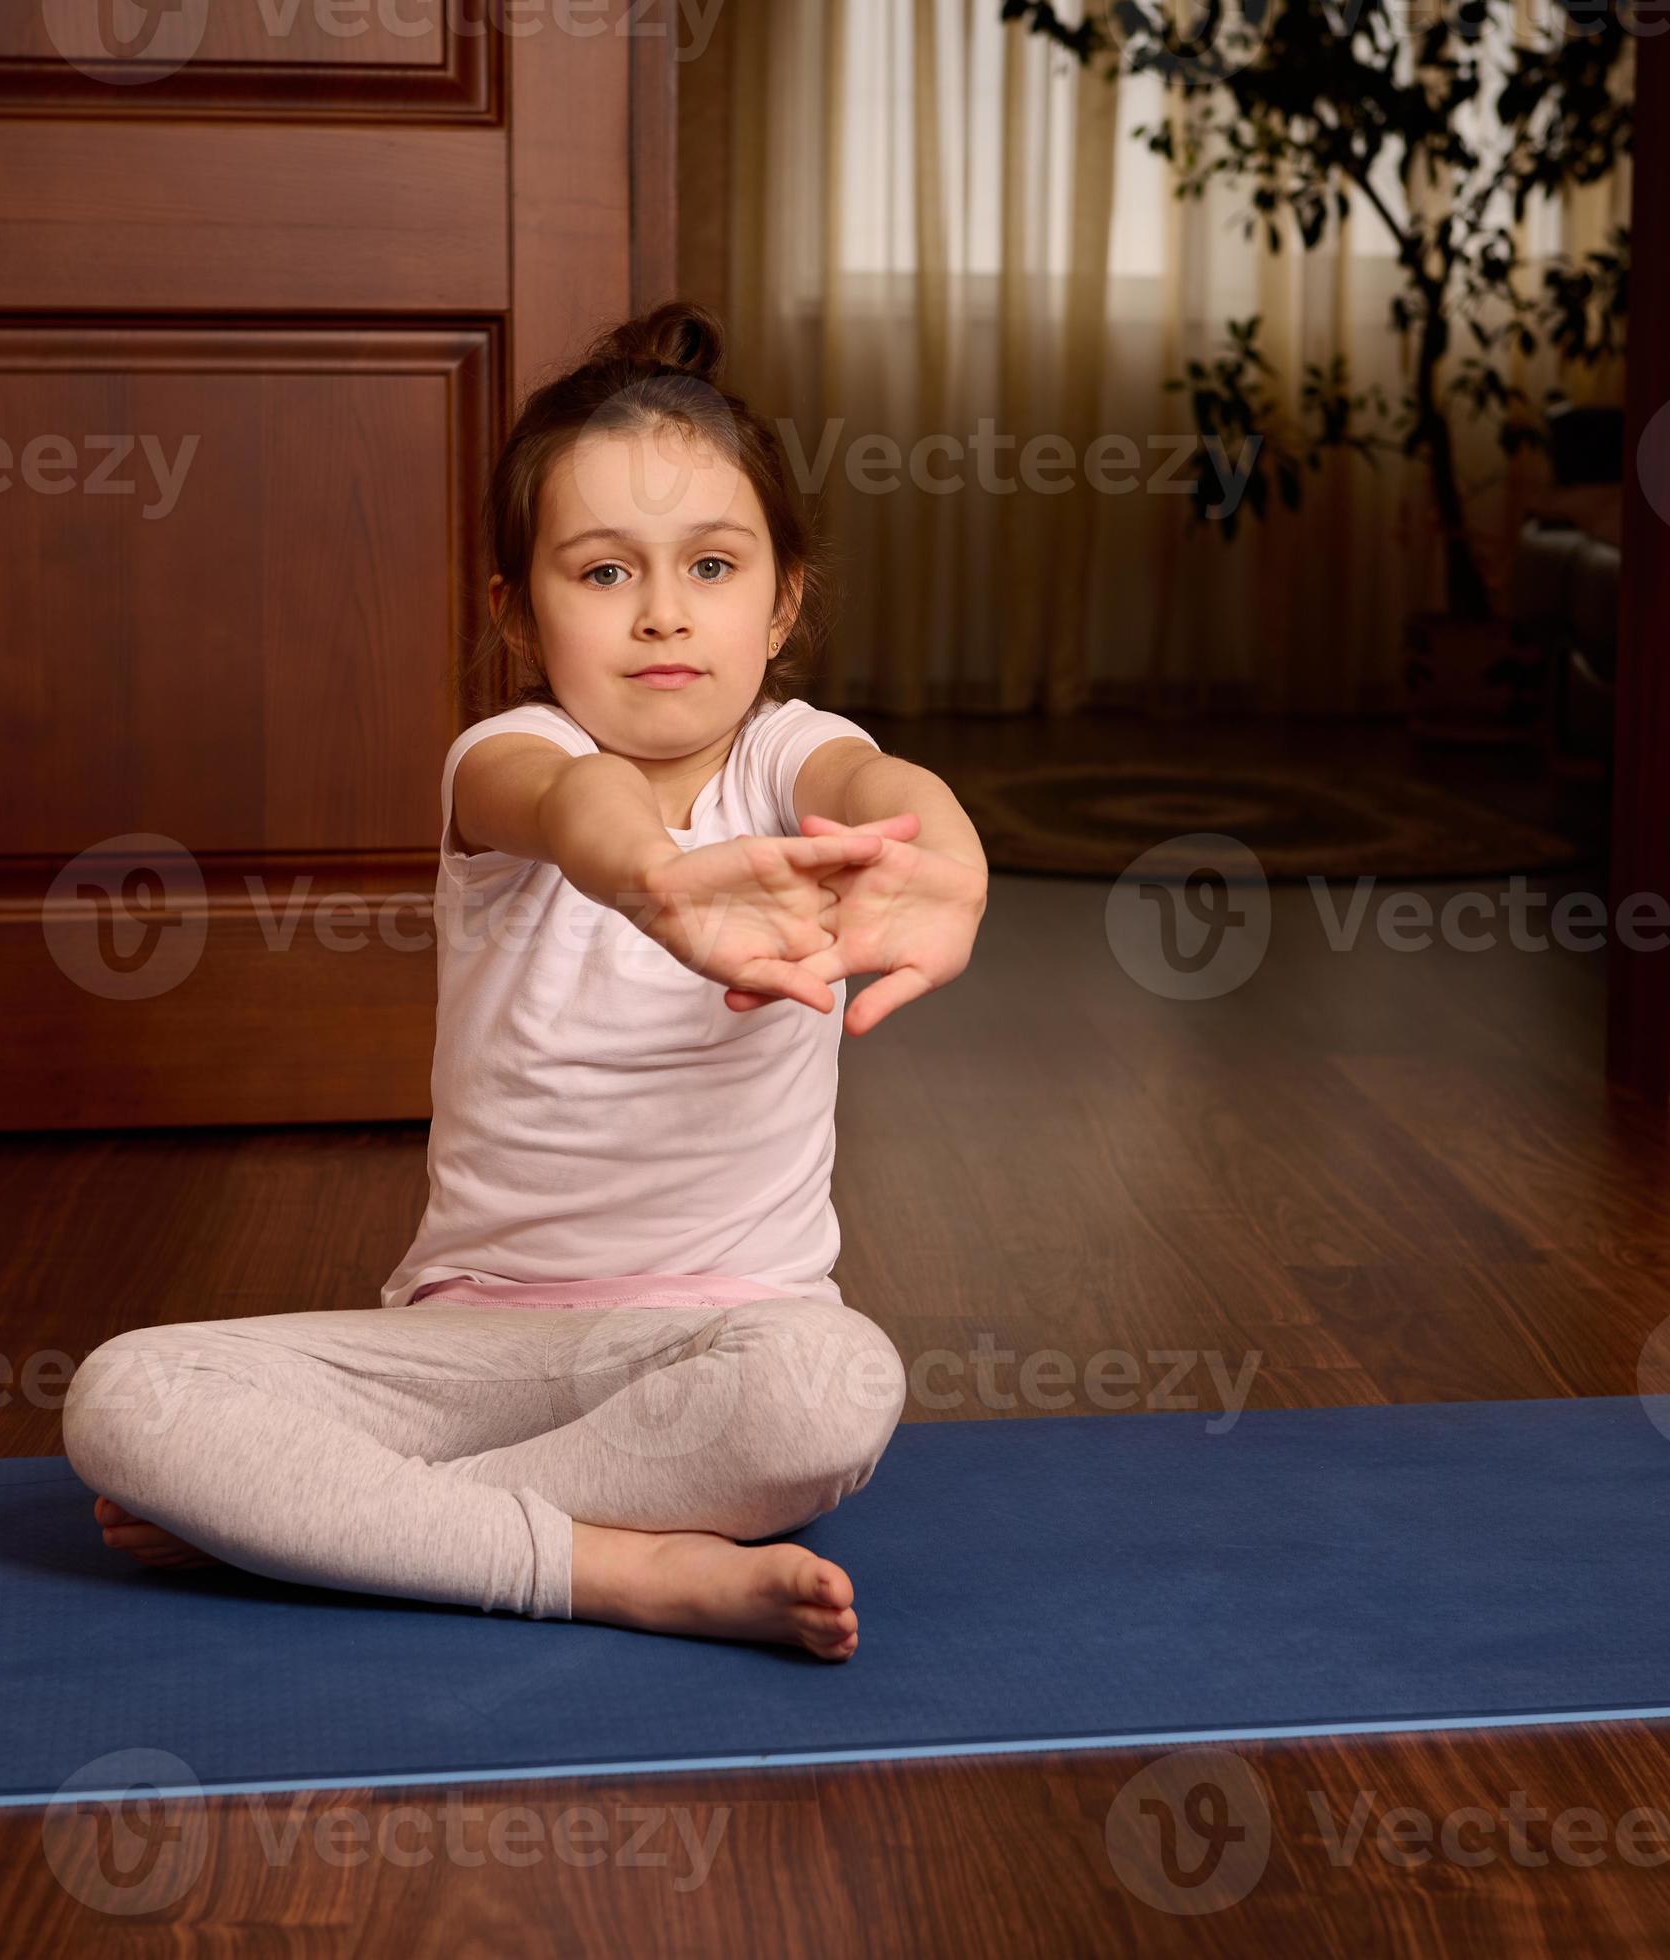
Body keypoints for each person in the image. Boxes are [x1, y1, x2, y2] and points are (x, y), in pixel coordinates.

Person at [64, 301, 990, 1660]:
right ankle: (618, 1570)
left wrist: (946, 843)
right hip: (473, 1355)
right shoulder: (503, 760)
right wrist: (649, 879)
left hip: (715, 1353)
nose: (664, 612)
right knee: (125, 1400)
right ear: (515, 610)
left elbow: (876, 788)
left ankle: (352, 1531)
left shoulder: (797, 759)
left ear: (784, 599)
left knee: (832, 1385)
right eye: (602, 573)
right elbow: (572, 803)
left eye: (714, 567)